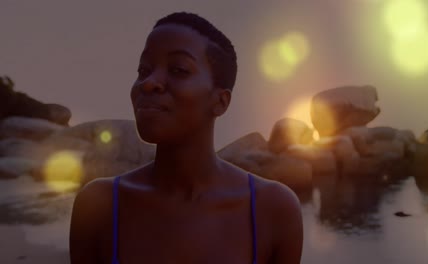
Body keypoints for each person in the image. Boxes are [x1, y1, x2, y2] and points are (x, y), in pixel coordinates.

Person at [69, 12, 303, 264]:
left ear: (220, 102)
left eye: (178, 70)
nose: (149, 83)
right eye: (144, 70)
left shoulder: (273, 209)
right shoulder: (99, 206)